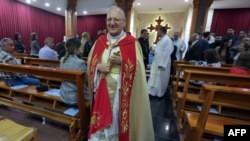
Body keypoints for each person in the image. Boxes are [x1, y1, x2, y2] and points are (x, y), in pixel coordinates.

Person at [87, 6, 154, 141]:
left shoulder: (132, 43)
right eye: (109, 19)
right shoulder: (99, 41)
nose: (112, 23)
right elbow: (90, 62)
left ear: (124, 22)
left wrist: (123, 62)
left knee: (118, 121)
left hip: (121, 93)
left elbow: (139, 70)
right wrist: (98, 67)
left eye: (116, 19)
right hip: (101, 90)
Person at [59, 38, 89, 105]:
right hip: (76, 97)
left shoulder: (62, 59)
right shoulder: (80, 62)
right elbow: (86, 80)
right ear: (76, 49)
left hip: (64, 95)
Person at [148, 26, 173, 97]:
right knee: (155, 77)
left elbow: (167, 52)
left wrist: (162, 63)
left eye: (158, 31)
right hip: (157, 62)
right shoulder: (161, 40)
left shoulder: (167, 40)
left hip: (162, 64)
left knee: (160, 78)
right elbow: (158, 50)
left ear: (161, 31)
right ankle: (153, 92)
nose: (157, 33)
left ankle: (159, 93)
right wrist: (152, 49)